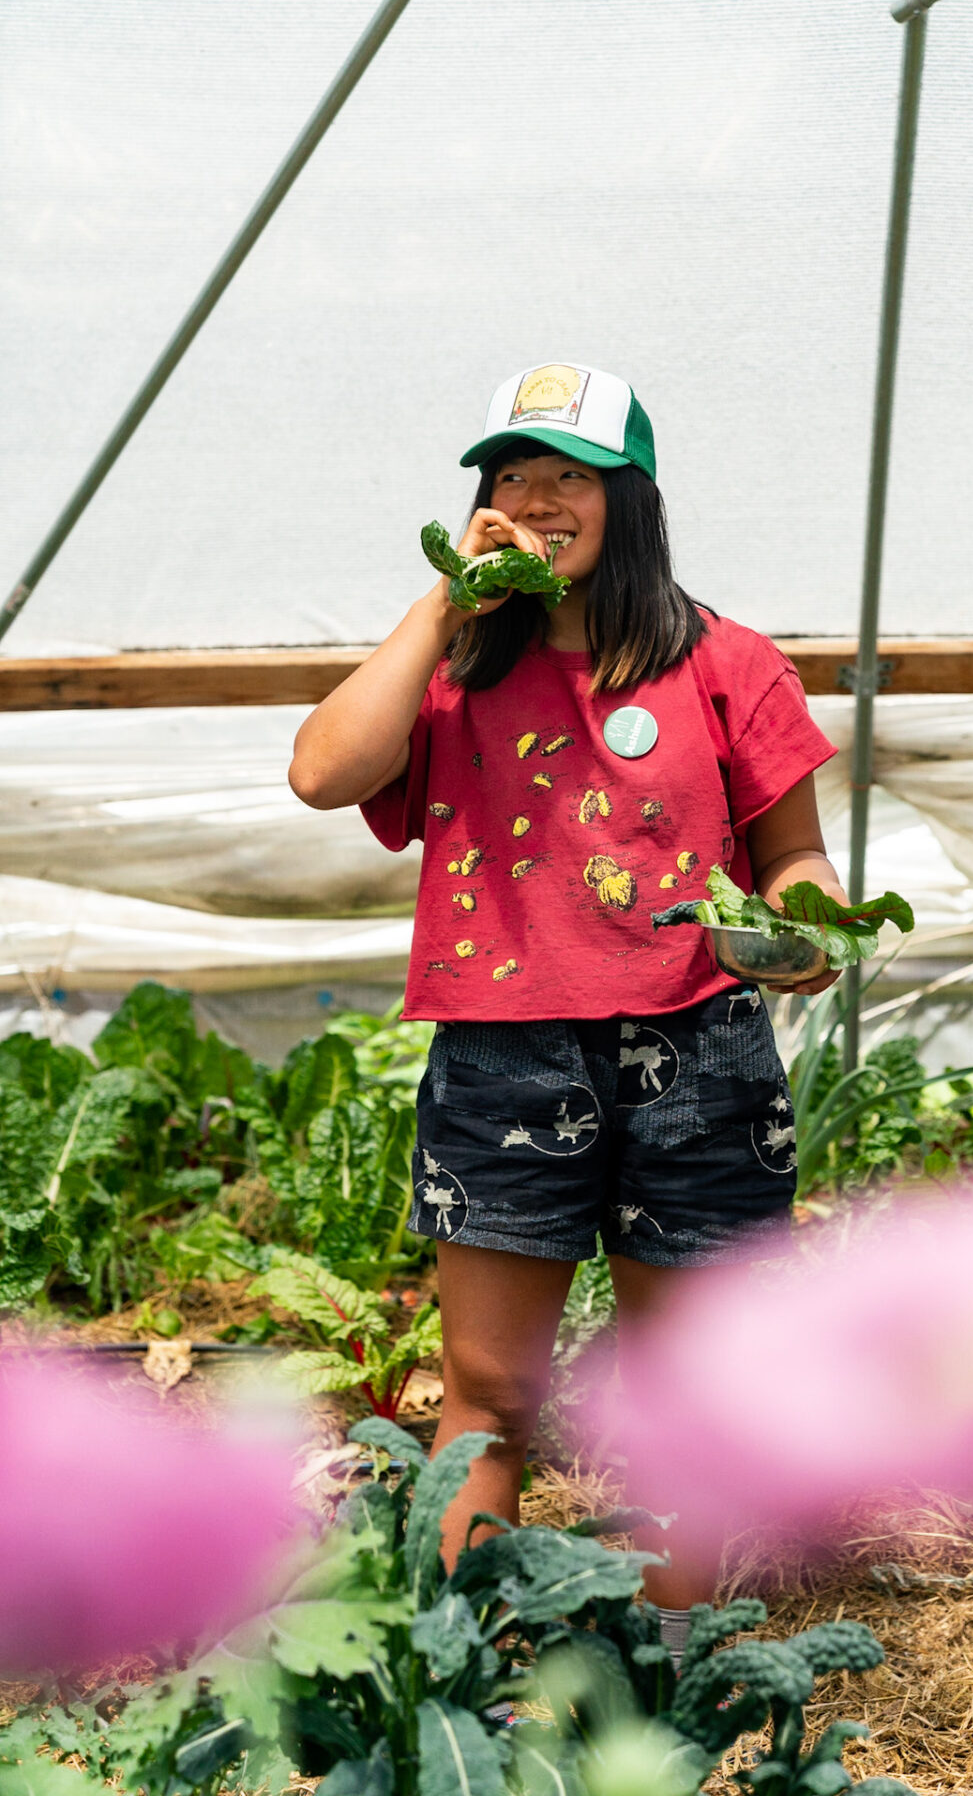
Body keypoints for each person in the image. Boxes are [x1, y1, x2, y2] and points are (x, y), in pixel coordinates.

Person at [289, 361, 848, 1660]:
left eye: (570, 477)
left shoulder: (727, 665)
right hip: (503, 1059)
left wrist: (807, 927)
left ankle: (668, 1680)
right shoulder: (454, 670)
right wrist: (446, 601)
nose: (536, 499)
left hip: (699, 1057)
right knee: (489, 1388)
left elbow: (796, 860)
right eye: (511, 475)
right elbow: (321, 771)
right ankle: (458, 1682)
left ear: (630, 498)